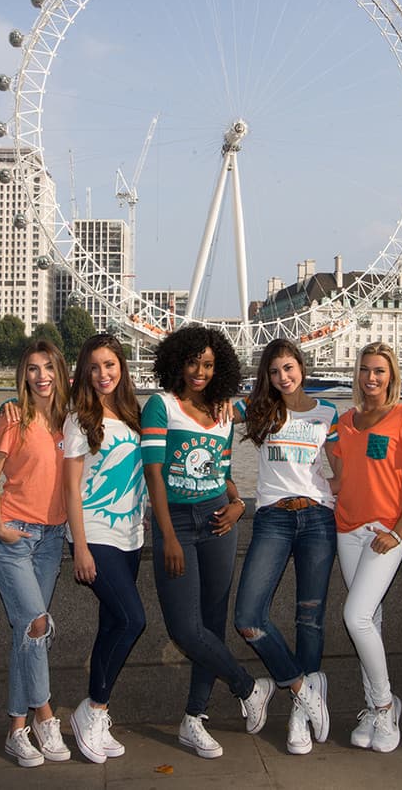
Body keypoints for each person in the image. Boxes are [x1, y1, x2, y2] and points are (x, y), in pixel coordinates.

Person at [142, 325, 274, 758]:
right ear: (177, 362)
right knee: (185, 628)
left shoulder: (224, 410)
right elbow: (154, 475)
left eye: (209, 364)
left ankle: (194, 718)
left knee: (212, 624)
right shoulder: (160, 407)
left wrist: (239, 503)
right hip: (177, 522)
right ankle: (248, 686)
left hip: (219, 518)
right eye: (193, 362)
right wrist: (167, 537)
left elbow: (222, 470)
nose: (200, 371)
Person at [232, 339, 339, 755]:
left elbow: (343, 472)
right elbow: (211, 415)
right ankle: (303, 688)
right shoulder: (257, 409)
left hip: (316, 518)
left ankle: (300, 713)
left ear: (302, 367)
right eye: (274, 371)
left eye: (289, 368)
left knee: (309, 619)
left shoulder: (328, 413)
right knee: (247, 616)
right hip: (273, 516)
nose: (283, 377)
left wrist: (326, 494)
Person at [328, 341, 402, 754]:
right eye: (366, 370)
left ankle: (385, 705)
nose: (372, 377)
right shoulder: (345, 421)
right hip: (347, 529)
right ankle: (373, 706)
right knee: (372, 618)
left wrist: (399, 531)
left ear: (392, 376)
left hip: (385, 532)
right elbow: (334, 476)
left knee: (356, 615)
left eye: (380, 371)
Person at [0, 340, 72, 768]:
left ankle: (16, 730)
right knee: (37, 624)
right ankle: (46, 716)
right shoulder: (12, 419)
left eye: (48, 367)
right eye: (33, 369)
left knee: (28, 635)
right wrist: (0, 527)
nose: (41, 376)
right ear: (24, 375)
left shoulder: (69, 423)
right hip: (14, 538)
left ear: (60, 371)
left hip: (51, 539)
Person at [63, 333, 148, 764]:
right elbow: (71, 488)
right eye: (94, 367)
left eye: (110, 365)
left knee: (113, 625)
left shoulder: (133, 413)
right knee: (134, 620)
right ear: (84, 372)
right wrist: (80, 547)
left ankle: (99, 713)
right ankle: (91, 709)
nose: (103, 374)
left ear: (122, 367)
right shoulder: (80, 417)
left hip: (131, 535)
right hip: (96, 534)